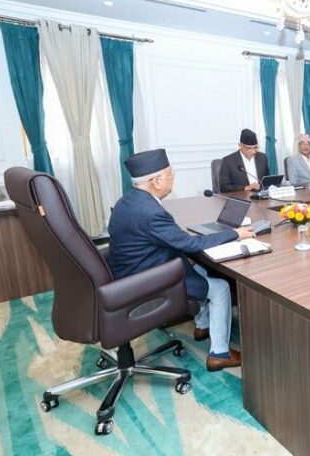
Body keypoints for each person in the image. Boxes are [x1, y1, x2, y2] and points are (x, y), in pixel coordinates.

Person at [108, 149, 255, 371]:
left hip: (131, 273)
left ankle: (202, 325)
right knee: (221, 287)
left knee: (203, 269)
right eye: (170, 173)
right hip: (146, 282)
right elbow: (191, 244)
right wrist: (236, 233)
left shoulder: (127, 201)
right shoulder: (150, 212)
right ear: (156, 181)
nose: (174, 176)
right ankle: (220, 354)